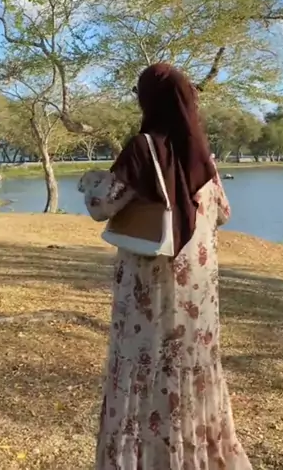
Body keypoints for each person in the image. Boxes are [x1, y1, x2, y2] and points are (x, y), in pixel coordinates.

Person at [79, 63, 252, 470]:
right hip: (196, 289)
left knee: (146, 367)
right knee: (191, 367)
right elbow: (224, 212)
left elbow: (101, 206)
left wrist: (89, 180)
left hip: (150, 287)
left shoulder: (142, 149)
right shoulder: (202, 155)